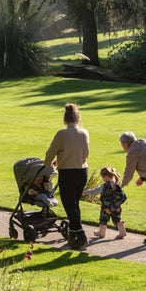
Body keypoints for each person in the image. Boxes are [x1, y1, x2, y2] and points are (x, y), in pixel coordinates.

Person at [44, 103, 90, 249]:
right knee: (74, 204)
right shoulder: (84, 132)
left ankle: (80, 234)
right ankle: (73, 233)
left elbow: (50, 153)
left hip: (68, 173)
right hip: (82, 171)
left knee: (69, 205)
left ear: (65, 119)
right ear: (78, 118)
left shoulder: (62, 134)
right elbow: (85, 154)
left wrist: (47, 166)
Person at [83, 166, 127, 239]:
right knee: (117, 219)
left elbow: (95, 191)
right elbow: (121, 196)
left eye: (102, 177)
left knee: (103, 219)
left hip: (106, 207)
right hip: (116, 207)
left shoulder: (104, 186)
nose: (103, 179)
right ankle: (122, 232)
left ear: (106, 177)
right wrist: (115, 206)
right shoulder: (117, 185)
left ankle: (101, 233)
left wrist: (86, 192)